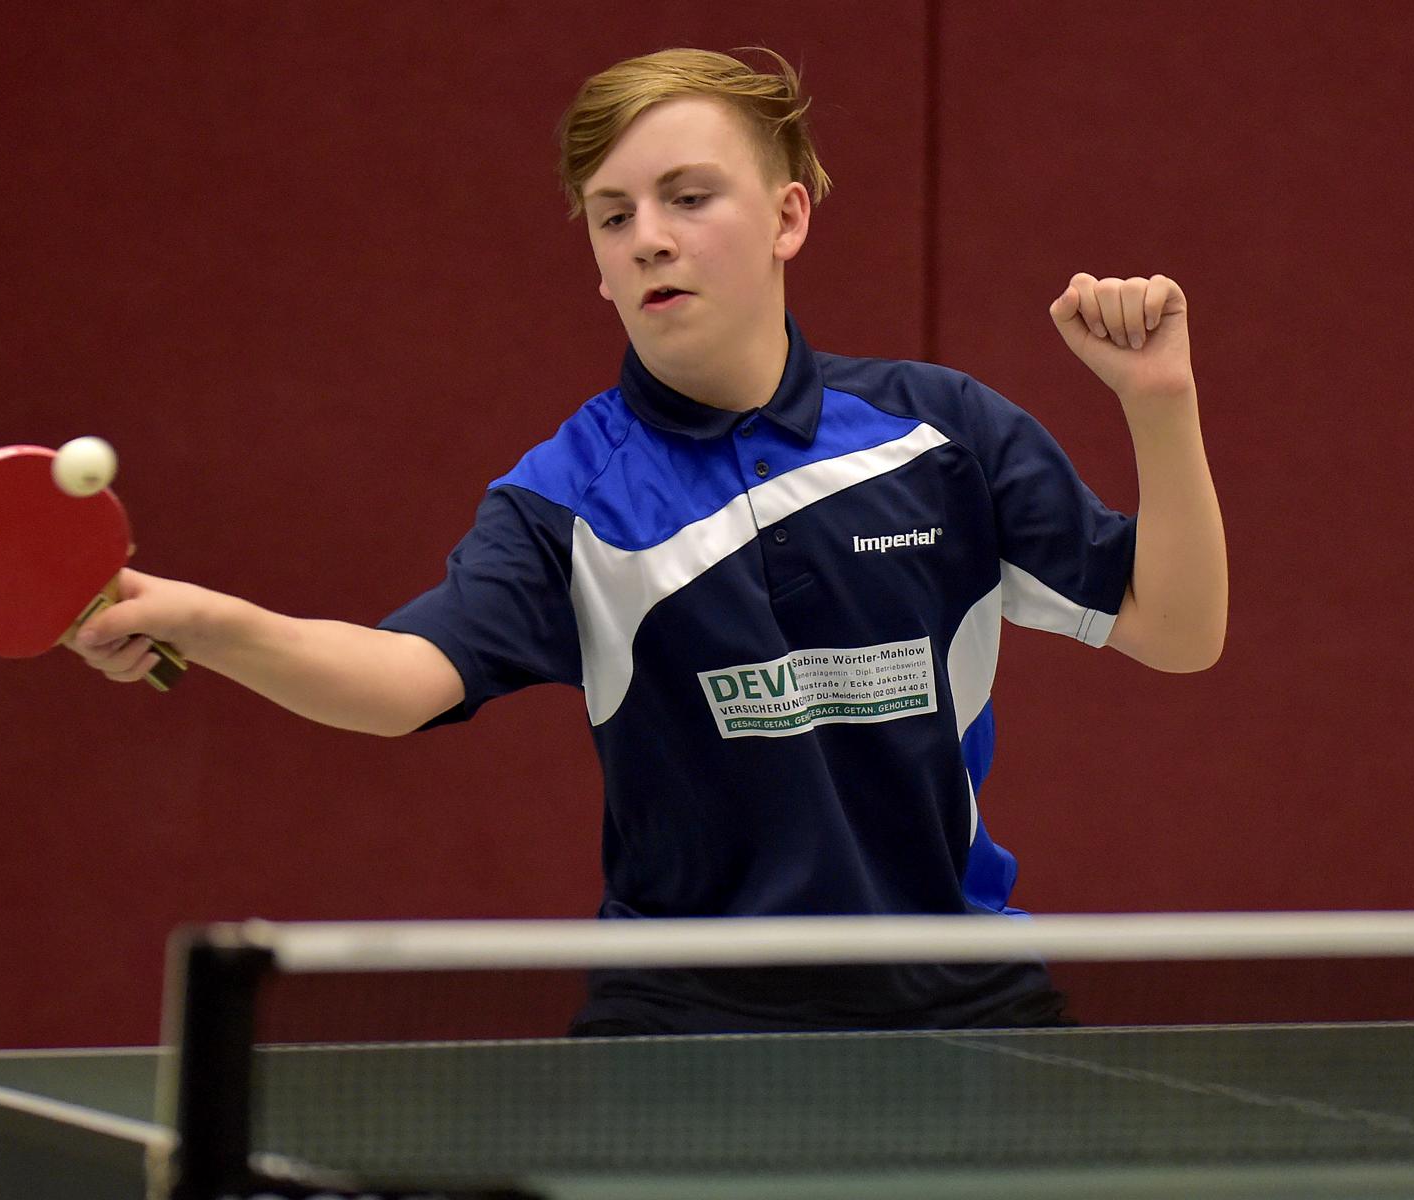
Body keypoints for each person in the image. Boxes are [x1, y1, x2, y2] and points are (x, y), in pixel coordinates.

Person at [73, 48, 1227, 1035]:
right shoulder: (571, 498)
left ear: (788, 217)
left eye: (688, 198)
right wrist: (208, 623)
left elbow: (1177, 633)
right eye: (614, 215)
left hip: (961, 999)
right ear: (595, 259)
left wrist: (1159, 404)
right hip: (689, 1024)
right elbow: (401, 682)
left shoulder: (940, 436)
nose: (649, 240)